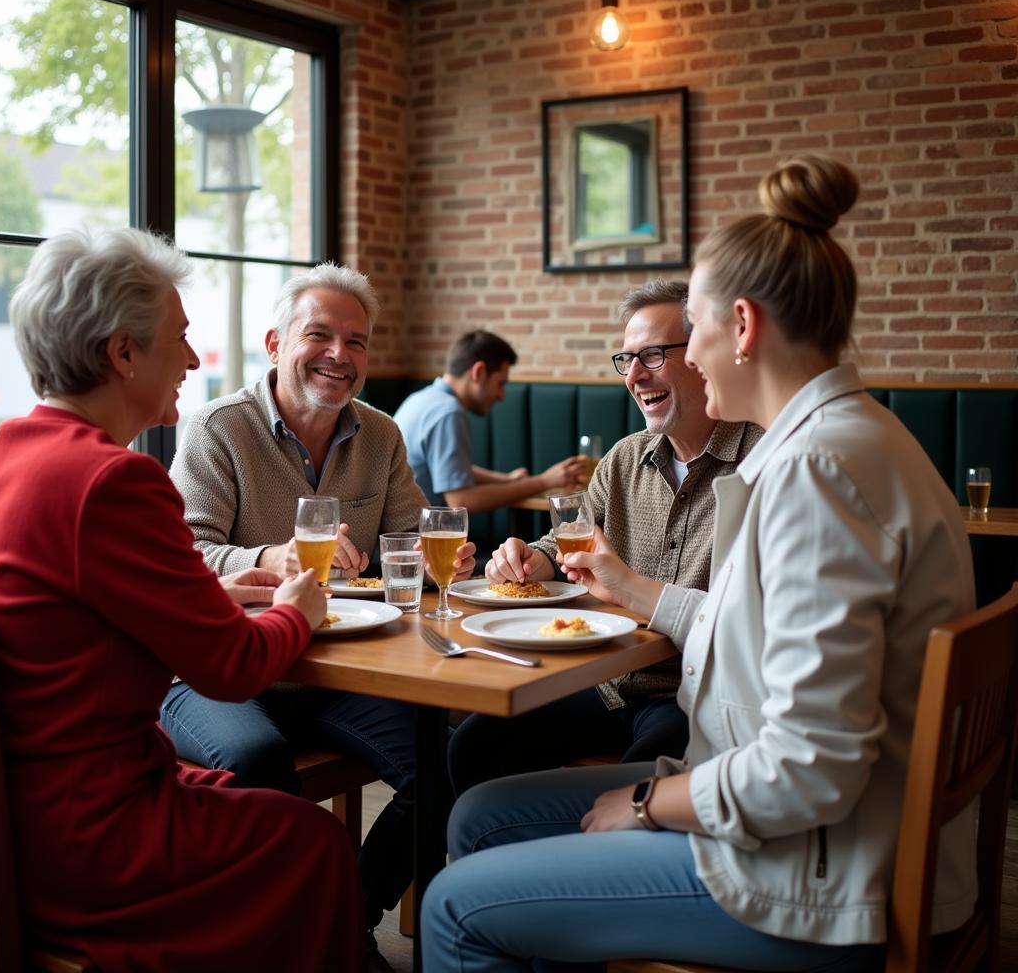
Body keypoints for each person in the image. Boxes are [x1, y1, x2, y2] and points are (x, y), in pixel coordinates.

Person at [421, 156, 977, 972]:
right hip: (833, 830)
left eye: (696, 326)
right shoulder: (855, 441)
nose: (678, 359)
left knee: (451, 904)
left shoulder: (813, 472)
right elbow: (748, 627)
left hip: (816, 874)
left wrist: (650, 802)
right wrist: (631, 589)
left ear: (741, 326)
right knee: (481, 816)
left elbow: (810, 767)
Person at [0, 228, 362, 971]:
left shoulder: (11, 452)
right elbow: (233, 669)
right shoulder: (114, 481)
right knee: (316, 842)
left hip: (30, 812)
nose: (194, 360)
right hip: (97, 836)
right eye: (180, 338)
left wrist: (213, 588)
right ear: (122, 354)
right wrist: (300, 608)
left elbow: (79, 613)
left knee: (249, 794)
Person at [164, 262, 475, 945]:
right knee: (255, 762)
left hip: (335, 668)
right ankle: (268, 942)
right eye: (321, 335)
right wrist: (268, 560)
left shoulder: (382, 434)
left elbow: (409, 539)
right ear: (275, 344)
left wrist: (432, 558)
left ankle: (340, 924)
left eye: (357, 341)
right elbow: (184, 556)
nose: (341, 356)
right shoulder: (217, 428)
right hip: (222, 669)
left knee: (446, 765)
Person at [447, 281, 761, 796]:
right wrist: (531, 560)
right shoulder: (622, 460)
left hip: (691, 694)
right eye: (627, 359)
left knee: (639, 779)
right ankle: (496, 871)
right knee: (474, 744)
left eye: (653, 356)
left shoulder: (760, 462)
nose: (635, 375)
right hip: (605, 683)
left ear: (702, 354)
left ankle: (585, 868)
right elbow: (564, 542)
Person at [394, 329, 584, 513]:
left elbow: (454, 470)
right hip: (422, 541)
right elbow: (461, 501)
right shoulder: (449, 412)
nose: (502, 396)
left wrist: (507, 480)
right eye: (500, 383)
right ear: (479, 371)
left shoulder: (422, 399)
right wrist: (544, 482)